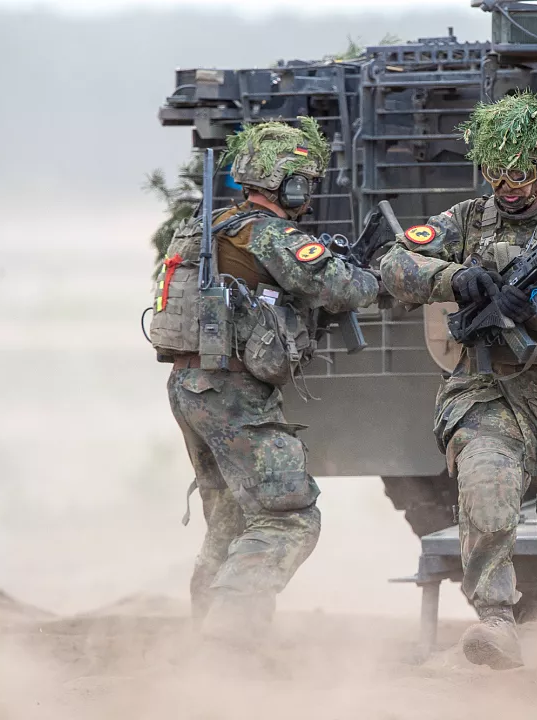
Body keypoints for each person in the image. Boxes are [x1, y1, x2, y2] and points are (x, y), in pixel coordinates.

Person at [380, 92, 537, 670]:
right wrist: (456, 278)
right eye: (495, 172)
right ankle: (496, 620)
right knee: (486, 493)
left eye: (518, 174)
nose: (506, 186)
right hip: (487, 392)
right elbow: (394, 265)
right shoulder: (467, 219)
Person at [147, 117, 379, 646]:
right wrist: (376, 274)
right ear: (287, 185)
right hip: (231, 393)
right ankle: (230, 638)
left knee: (230, 520)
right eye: (305, 183)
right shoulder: (270, 234)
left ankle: (208, 643)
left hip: (191, 386)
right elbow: (344, 288)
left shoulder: (210, 224)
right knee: (287, 517)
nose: (309, 195)